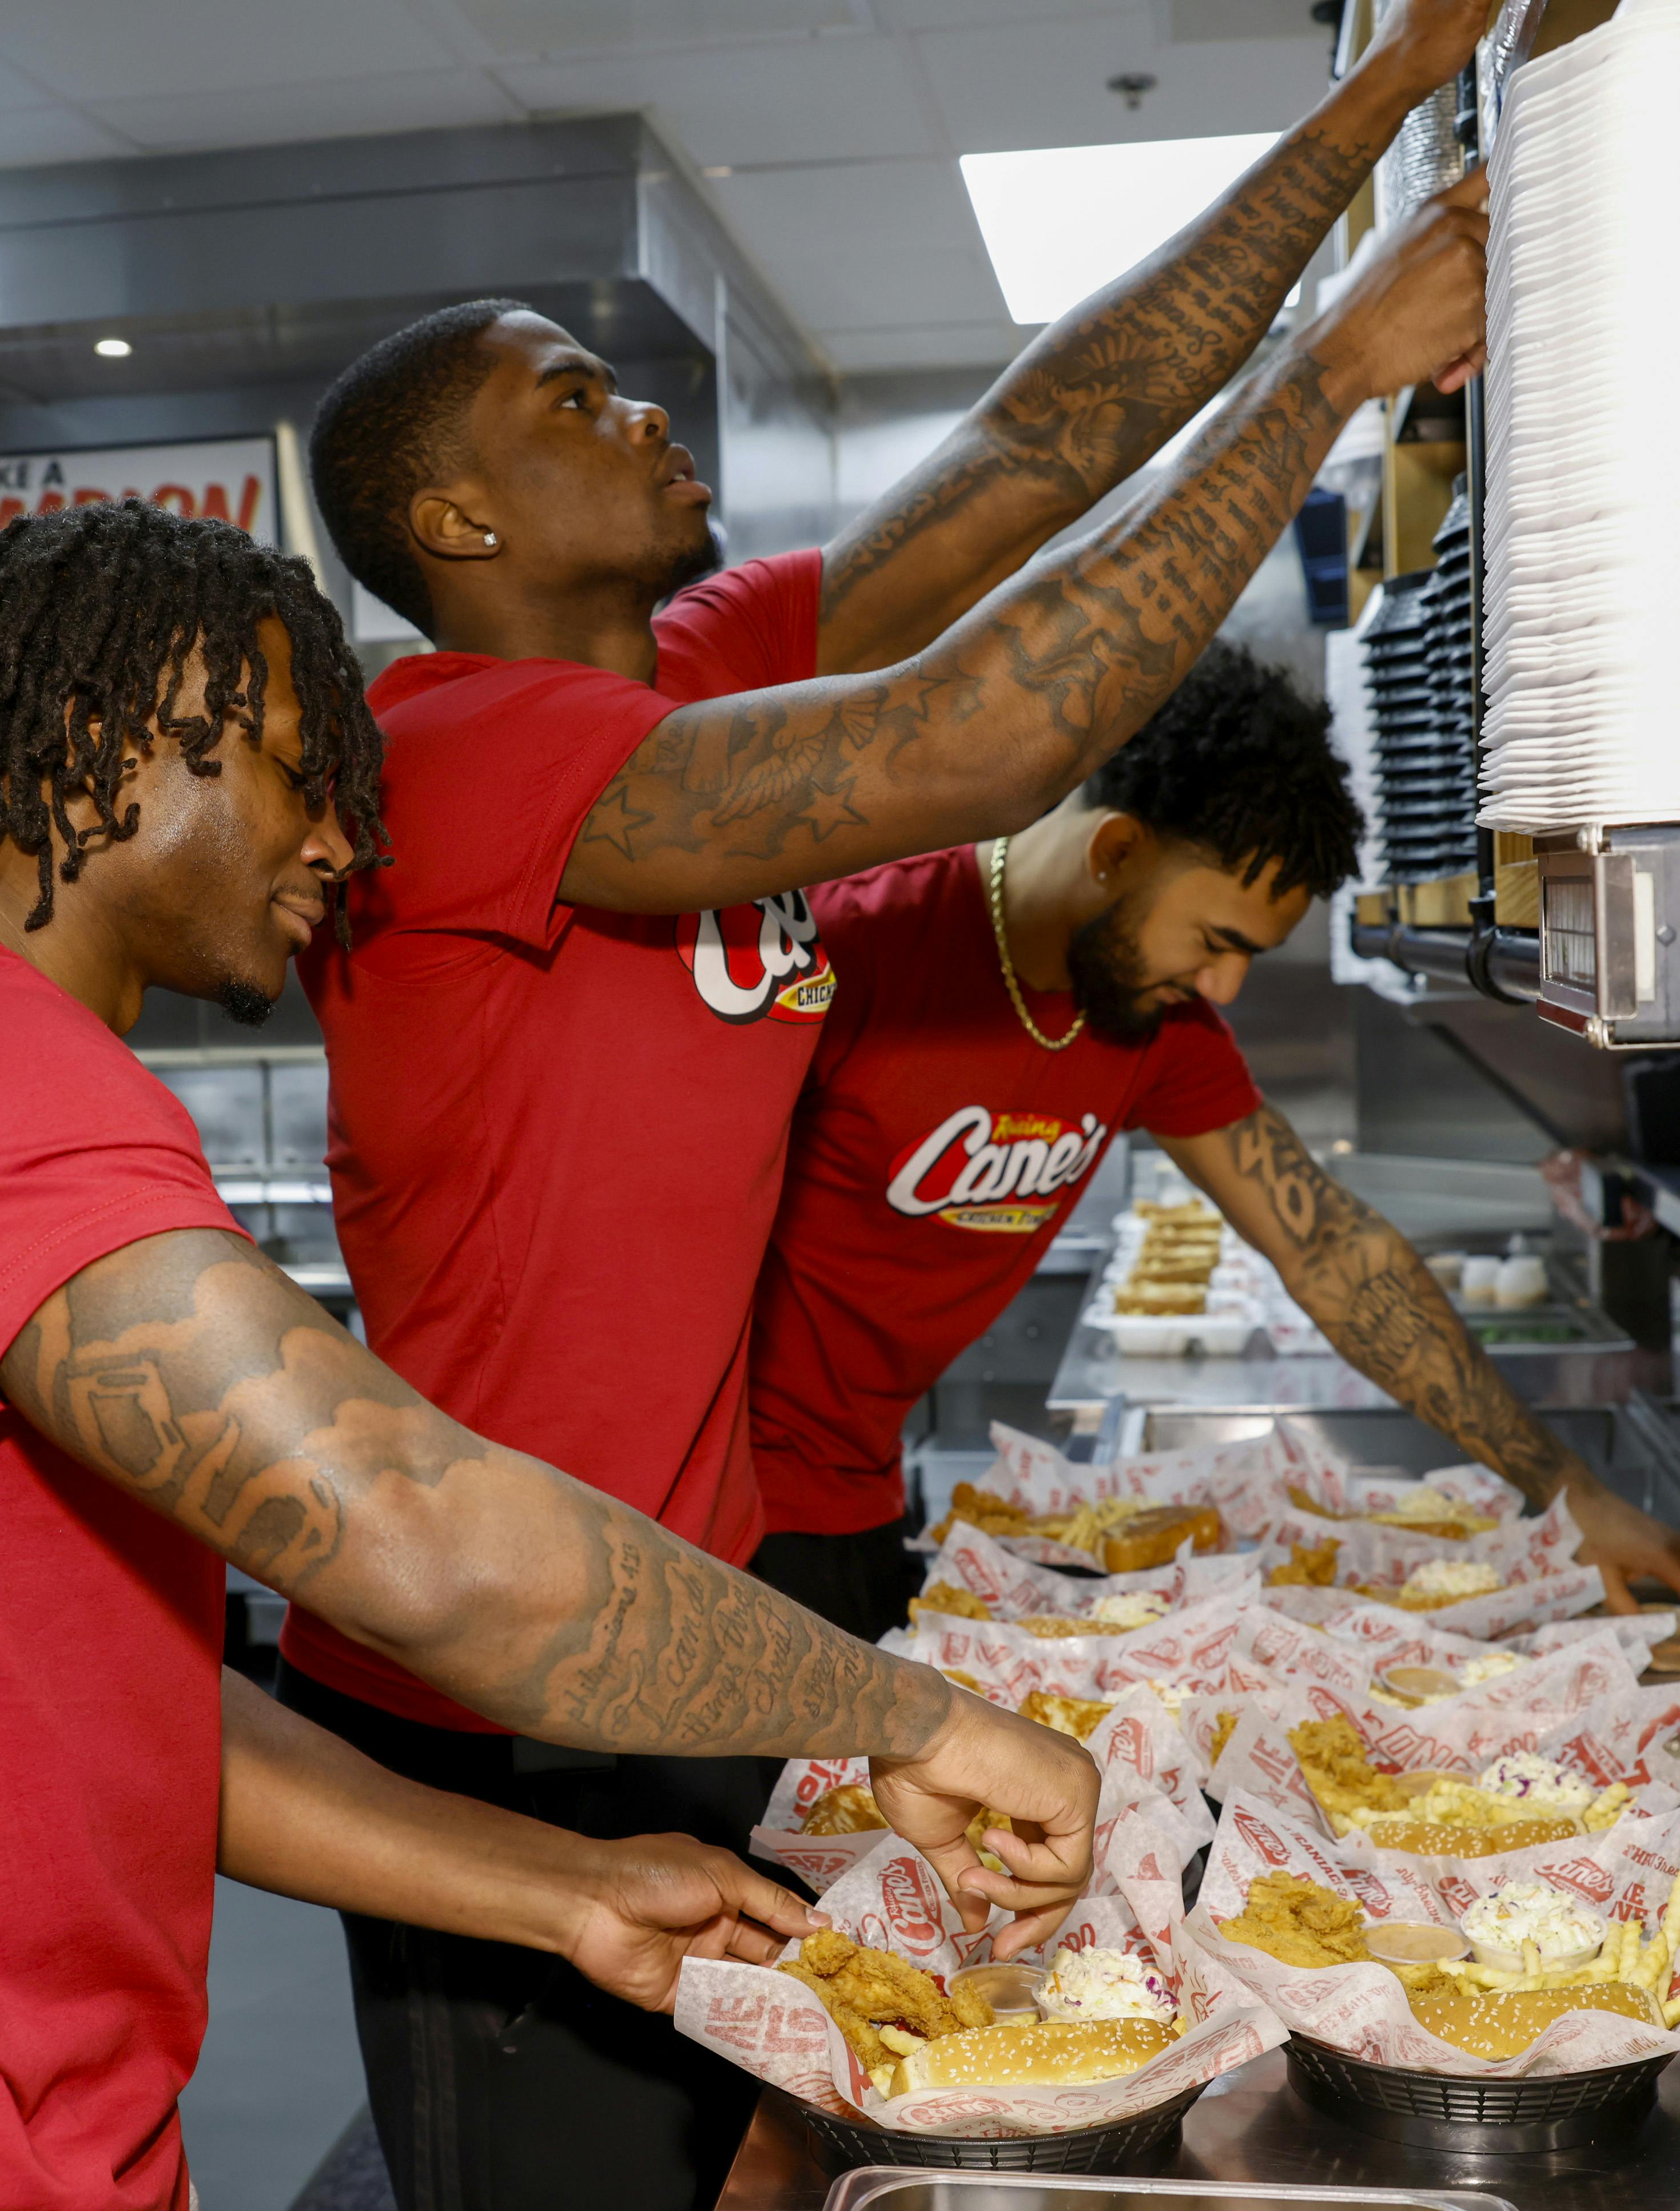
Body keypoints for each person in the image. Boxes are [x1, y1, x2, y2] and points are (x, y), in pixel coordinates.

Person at [0, 502, 1097, 2211]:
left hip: (30, 2131)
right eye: (290, 765)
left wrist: (549, 1886)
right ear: (112, 735)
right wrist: (912, 1717)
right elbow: (414, 1528)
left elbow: (133, 1708)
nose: (345, 838)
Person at [289, 3, 1499, 2195]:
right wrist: (1324, 383)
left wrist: (1382, 98)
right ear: (453, 515)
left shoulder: (706, 664)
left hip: (698, 1624)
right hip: (498, 1687)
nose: (636, 400)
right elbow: (979, 738)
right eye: (569, 395)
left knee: (785, 2153)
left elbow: (1045, 439)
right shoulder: (452, 752)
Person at [745, 643, 1680, 1653]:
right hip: (716, 1511)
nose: (1224, 990)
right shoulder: (856, 941)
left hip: (854, 1490)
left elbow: (1331, 1251)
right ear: (1116, 849)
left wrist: (1566, 1492)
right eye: (1215, 942)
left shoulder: (1156, 1027)